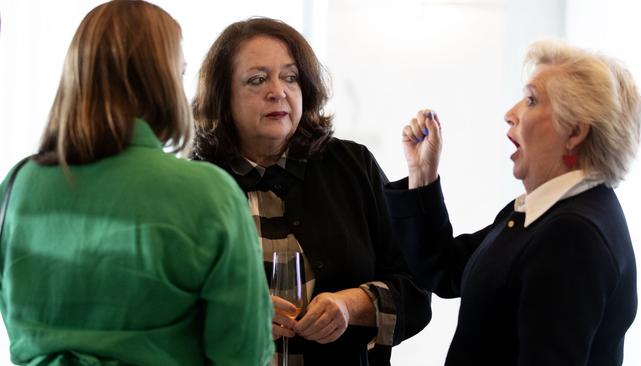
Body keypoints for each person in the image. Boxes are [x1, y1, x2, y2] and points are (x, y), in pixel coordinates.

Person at [0, 1, 273, 365]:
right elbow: (244, 356)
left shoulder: (16, 186)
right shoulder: (208, 192)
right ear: (161, 83)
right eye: (179, 73)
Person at [386, 39, 641, 365]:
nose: (510, 114)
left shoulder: (572, 235)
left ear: (574, 132)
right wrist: (422, 174)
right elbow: (446, 269)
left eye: (532, 100)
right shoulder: (544, 212)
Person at [191, 17, 431, 366]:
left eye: (290, 77)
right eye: (257, 80)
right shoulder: (195, 182)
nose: (278, 91)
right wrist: (234, 316)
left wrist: (350, 306)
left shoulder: (352, 165)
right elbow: (156, 309)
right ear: (222, 97)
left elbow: (417, 291)